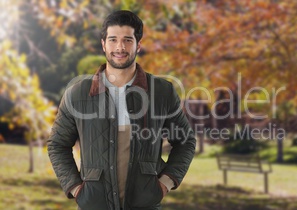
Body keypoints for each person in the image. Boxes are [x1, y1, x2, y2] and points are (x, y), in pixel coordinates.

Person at [47, 10, 196, 210]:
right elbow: (57, 144)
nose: (120, 47)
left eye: (127, 40)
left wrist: (165, 184)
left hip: (146, 205)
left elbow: (185, 141)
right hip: (94, 205)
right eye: (113, 39)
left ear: (138, 45)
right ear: (103, 44)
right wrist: (75, 188)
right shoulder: (77, 94)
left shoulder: (162, 91)